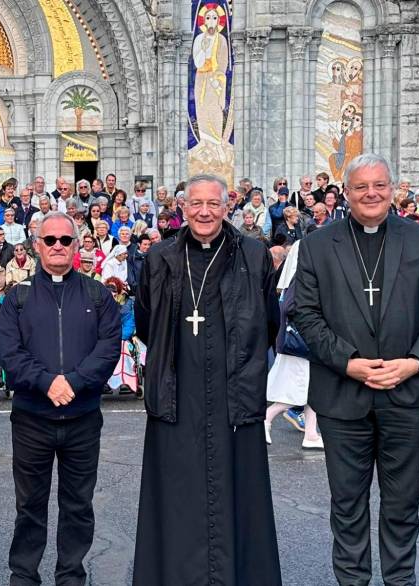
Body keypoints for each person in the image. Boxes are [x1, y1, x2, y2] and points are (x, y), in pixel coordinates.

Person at [291, 153, 419, 586]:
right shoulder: (317, 245)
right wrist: (349, 363)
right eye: (361, 187)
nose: (371, 194)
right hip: (343, 398)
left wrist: (415, 362)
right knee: (347, 506)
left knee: (403, 506)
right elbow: (305, 315)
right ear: (346, 193)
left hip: (410, 395)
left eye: (379, 185)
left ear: (393, 189)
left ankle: (401, 582)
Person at [132, 174, 280, 585]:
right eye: (195, 203)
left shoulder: (253, 254)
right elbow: (146, 322)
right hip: (178, 392)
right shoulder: (160, 257)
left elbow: (269, 322)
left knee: (238, 493)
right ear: (183, 208)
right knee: (178, 495)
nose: (204, 211)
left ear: (227, 206)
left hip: (234, 392)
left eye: (213, 204)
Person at [0, 211, 120, 586]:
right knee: (29, 506)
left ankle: (70, 576)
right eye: (50, 240)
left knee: (78, 506)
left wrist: (76, 382)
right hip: (32, 418)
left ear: (77, 246)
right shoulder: (18, 297)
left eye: (66, 240)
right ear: (37, 247)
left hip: (82, 419)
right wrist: (48, 382)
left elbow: (109, 347)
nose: (58, 247)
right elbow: (9, 352)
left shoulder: (98, 295)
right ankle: (24, 575)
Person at [264, 244, 324, 449]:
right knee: (299, 390)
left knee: (310, 389)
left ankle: (311, 434)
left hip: (299, 342)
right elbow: (291, 308)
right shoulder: (303, 277)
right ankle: (267, 417)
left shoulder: (302, 276)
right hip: (300, 343)